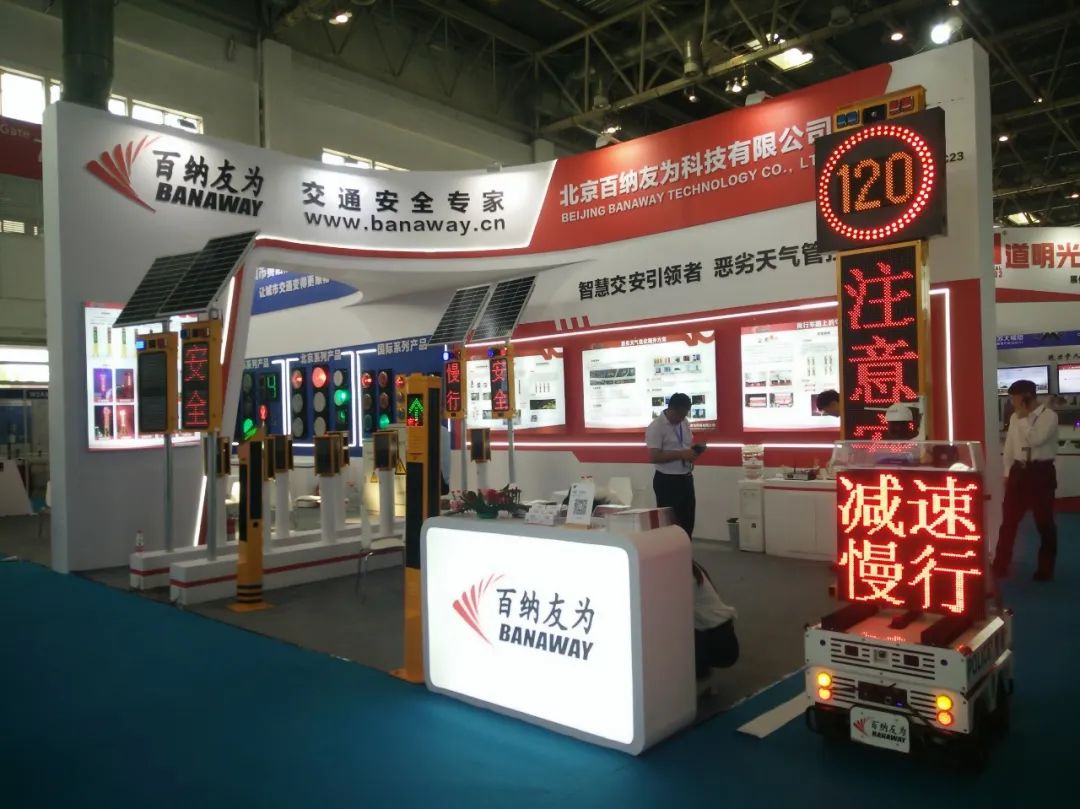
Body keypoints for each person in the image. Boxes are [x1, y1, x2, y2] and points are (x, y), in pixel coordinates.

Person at [993, 379, 1059, 581]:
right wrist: (1007, 473)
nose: (1012, 402)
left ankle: (1045, 569)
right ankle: (1000, 565)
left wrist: (1024, 418)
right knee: (1009, 522)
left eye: (1015, 398)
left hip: (1041, 473)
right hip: (1018, 473)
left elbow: (1036, 439)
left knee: (1044, 522)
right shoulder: (1015, 417)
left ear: (1027, 397)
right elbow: (1010, 446)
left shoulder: (1049, 416)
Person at [646, 392, 702, 538]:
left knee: (688, 522)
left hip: (686, 478)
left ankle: (686, 550)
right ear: (671, 409)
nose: (682, 418)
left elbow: (685, 445)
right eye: (679, 415)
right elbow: (654, 457)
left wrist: (692, 452)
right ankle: (671, 551)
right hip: (667, 482)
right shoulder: (656, 427)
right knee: (670, 525)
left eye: (685, 415)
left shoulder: (684, 422)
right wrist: (681, 455)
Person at [693, 561, 739, 679]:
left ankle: (699, 668)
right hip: (720, 634)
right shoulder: (693, 567)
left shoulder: (684, 577)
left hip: (717, 641)